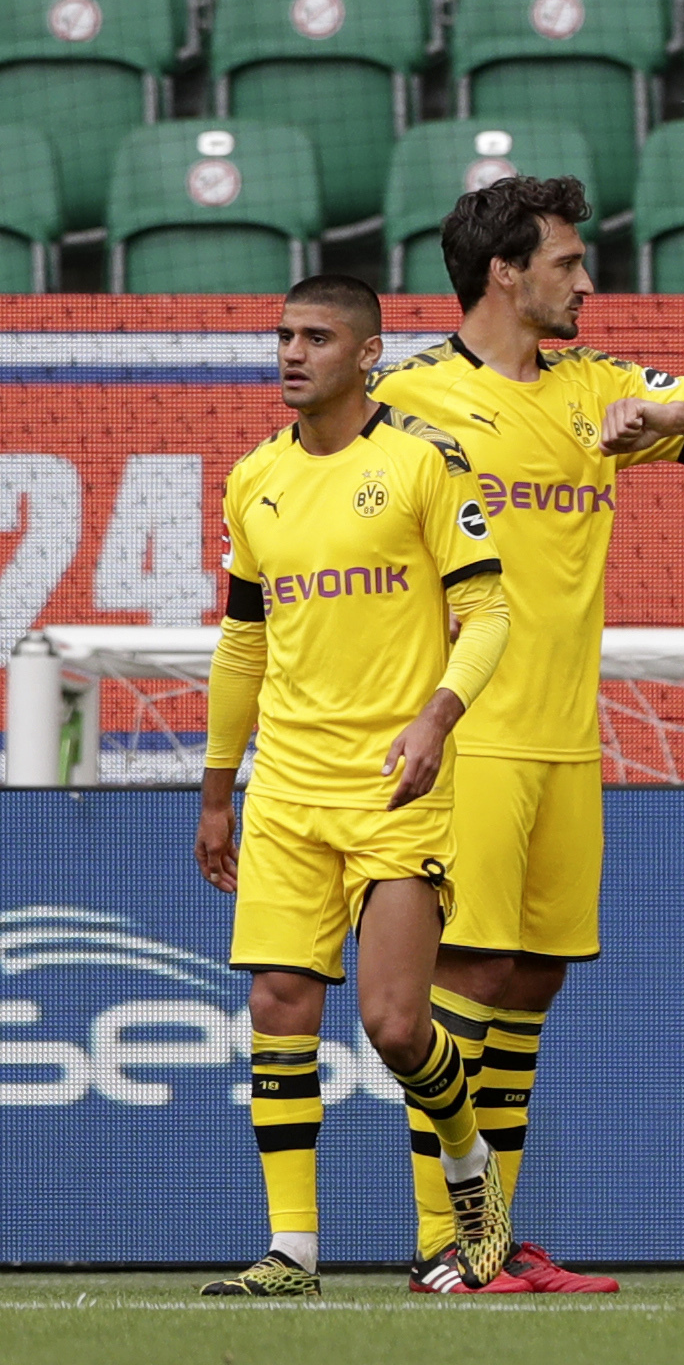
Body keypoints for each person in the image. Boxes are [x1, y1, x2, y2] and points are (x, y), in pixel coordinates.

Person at [372, 180, 684, 1293]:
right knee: (467, 972)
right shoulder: (406, 395)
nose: (585, 282)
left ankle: (491, 1229)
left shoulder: (601, 385)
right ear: (503, 272)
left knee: (533, 981)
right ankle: (443, 1242)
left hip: (567, 736)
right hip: (471, 733)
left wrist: (672, 416)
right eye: (564, 264)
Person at [196, 276, 520, 1302]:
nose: (292, 353)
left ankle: (468, 1164)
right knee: (278, 1002)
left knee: (392, 1024)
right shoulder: (254, 479)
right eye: (284, 334)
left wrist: (436, 718)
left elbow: (493, 614)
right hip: (287, 788)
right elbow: (242, 643)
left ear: (367, 353)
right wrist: (216, 788)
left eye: (316, 337)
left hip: (394, 785)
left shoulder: (422, 464)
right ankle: (292, 1250)